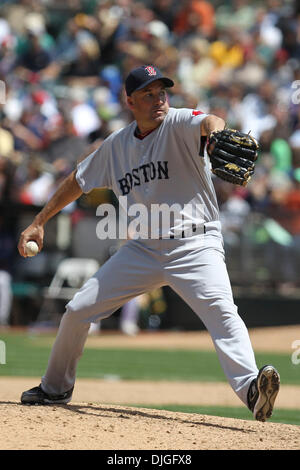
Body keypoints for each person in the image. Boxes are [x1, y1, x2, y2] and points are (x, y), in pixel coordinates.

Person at [18, 65, 280, 422]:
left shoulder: (179, 122)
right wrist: (39, 221)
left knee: (222, 312)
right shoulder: (116, 146)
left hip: (195, 245)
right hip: (142, 249)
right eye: (148, 94)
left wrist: (217, 137)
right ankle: (55, 387)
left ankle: (252, 390)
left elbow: (210, 121)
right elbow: (77, 180)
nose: (158, 100)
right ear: (130, 101)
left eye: (162, 92)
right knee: (78, 309)